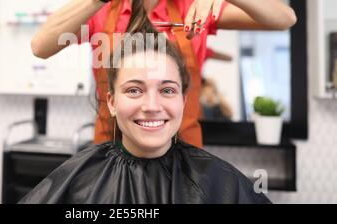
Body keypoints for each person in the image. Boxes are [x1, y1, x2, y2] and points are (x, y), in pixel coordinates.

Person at [30, 0, 297, 148]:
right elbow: (40, 45)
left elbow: (284, 18)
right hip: (110, 162)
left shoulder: (192, 7)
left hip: (184, 165)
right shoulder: (99, 11)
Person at [21, 33, 271, 203]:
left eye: (167, 90)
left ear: (183, 101)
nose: (151, 106)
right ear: (111, 102)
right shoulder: (79, 179)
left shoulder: (221, 182)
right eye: (134, 90)